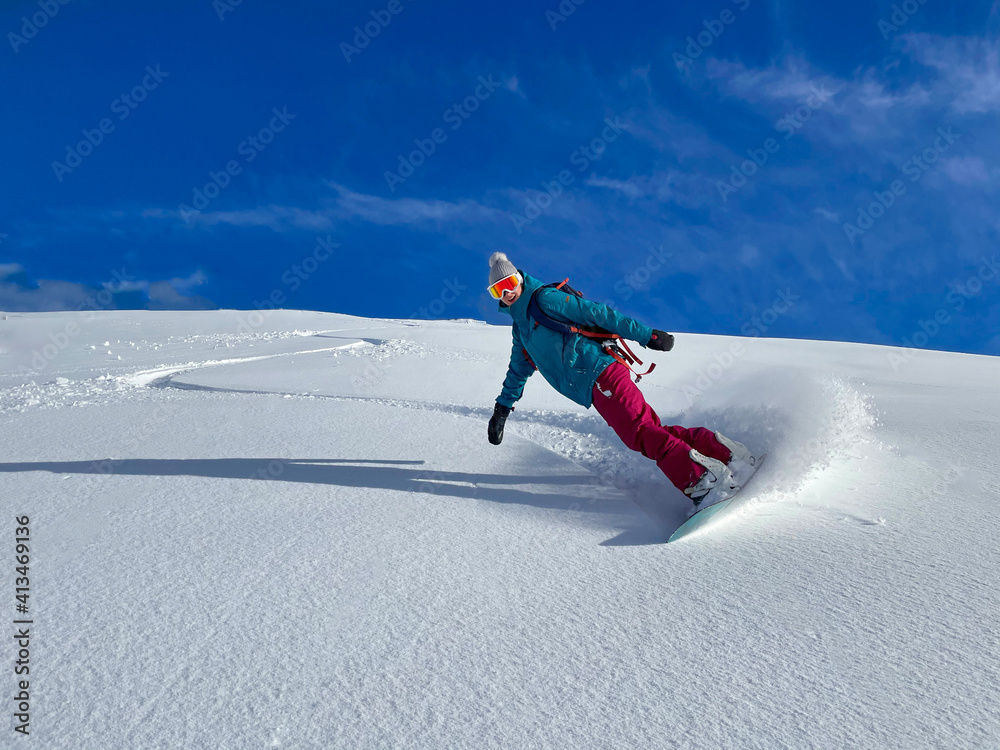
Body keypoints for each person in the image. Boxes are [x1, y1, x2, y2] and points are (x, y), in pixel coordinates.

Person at [485, 251, 757, 510]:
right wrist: (502, 409)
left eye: (508, 283)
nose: (507, 293)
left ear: (519, 279)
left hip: (600, 372)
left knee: (638, 433)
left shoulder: (545, 300)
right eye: (498, 290)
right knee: (649, 429)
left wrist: (647, 335)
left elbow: (597, 313)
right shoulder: (521, 330)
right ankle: (728, 455)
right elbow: (517, 370)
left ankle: (704, 483)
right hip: (593, 384)